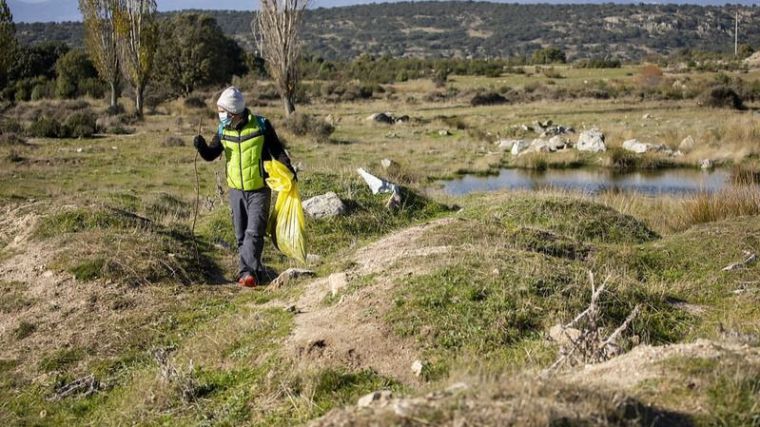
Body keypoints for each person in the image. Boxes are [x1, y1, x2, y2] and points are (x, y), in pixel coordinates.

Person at [194, 86, 296, 288]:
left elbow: (278, 151)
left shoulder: (261, 126)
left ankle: (247, 274)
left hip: (259, 189)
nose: (220, 114)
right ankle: (253, 273)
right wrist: (201, 146)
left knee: (254, 233)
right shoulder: (223, 130)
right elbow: (211, 154)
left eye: (222, 110)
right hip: (236, 191)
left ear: (233, 111)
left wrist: (290, 171)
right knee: (241, 235)